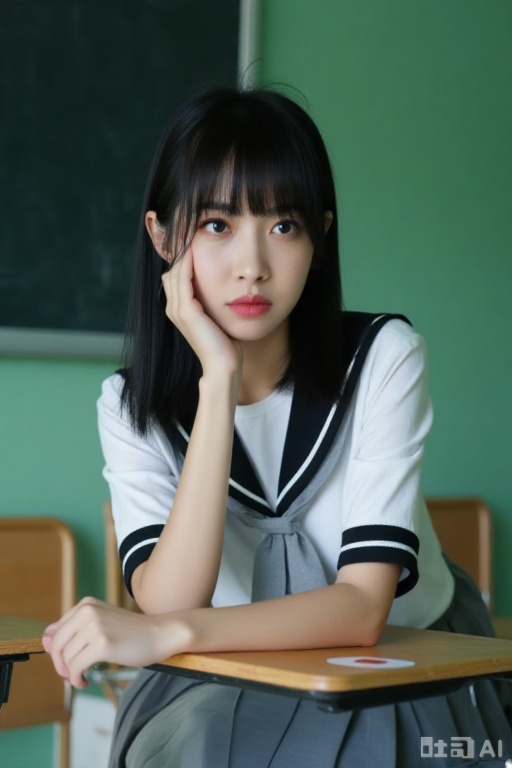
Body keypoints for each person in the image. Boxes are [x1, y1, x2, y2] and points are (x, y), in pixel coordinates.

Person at [43, 86, 512, 767]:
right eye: (216, 225)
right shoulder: (129, 405)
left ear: (320, 237)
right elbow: (173, 594)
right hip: (231, 667)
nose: (252, 265)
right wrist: (218, 382)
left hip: (410, 658)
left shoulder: (383, 359)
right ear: (163, 237)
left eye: (283, 226)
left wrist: (165, 633)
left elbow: (361, 609)